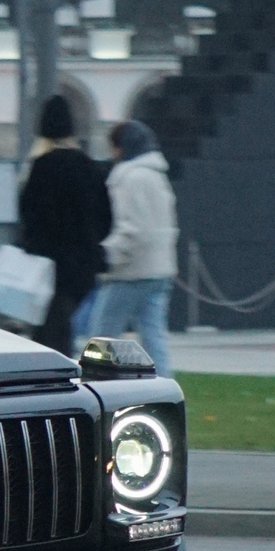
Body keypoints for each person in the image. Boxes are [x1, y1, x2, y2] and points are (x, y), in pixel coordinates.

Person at [15, 93, 110, 354]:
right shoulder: (90, 168)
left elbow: (28, 217)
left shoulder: (40, 168)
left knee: (48, 332)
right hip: (82, 265)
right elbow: (106, 219)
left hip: (48, 266)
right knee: (61, 326)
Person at [88, 119, 178, 371]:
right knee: (155, 341)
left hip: (130, 272)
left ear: (121, 147)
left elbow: (132, 231)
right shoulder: (156, 176)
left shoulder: (129, 179)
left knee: (101, 340)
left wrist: (106, 256)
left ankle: (97, 388)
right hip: (159, 269)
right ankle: (165, 395)